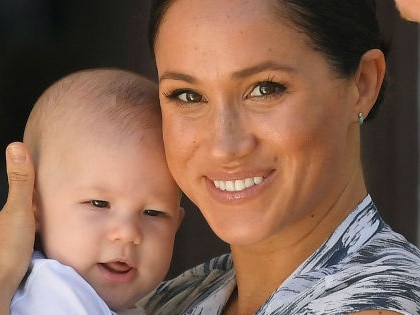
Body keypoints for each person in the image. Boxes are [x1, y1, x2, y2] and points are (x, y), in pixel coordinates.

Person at [1, 1, 420, 315]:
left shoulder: (378, 302)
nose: (223, 145)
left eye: (265, 89)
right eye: (188, 95)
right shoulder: (172, 298)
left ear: (363, 84)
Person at [8, 68, 184, 314]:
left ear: (176, 223)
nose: (127, 233)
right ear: (35, 210)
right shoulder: (54, 294)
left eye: (154, 212)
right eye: (99, 204)